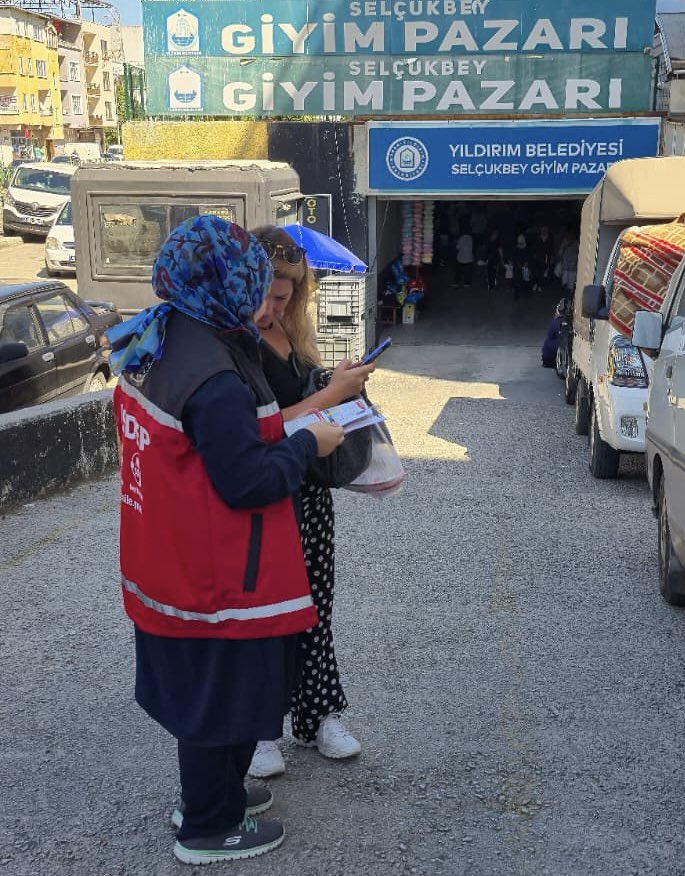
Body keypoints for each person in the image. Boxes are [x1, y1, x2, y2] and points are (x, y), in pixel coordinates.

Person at [108, 215, 344, 865]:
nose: (261, 296)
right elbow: (245, 481)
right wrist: (308, 444)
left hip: (172, 556)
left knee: (208, 692)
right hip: (215, 574)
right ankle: (207, 828)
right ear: (224, 281)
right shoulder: (212, 373)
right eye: (252, 281)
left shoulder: (170, 333)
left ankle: (214, 799)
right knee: (220, 699)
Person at [246, 224, 375, 779]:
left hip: (310, 491)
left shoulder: (288, 330)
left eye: (287, 295)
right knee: (264, 614)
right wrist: (328, 396)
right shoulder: (234, 343)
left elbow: (298, 399)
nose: (275, 307)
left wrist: (334, 382)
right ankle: (259, 728)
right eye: (269, 294)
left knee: (314, 608)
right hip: (266, 491)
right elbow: (254, 428)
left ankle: (319, 714)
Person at [541, 298, 566, 368]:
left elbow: (550, 334)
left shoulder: (556, 321)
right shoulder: (567, 319)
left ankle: (548, 362)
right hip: (565, 341)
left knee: (547, 342)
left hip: (561, 343)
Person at [511, 233, 530, 300]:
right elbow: (514, 258)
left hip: (525, 265)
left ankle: (526, 289)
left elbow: (529, 257)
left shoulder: (527, 248)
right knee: (517, 272)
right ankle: (516, 291)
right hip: (517, 265)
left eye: (522, 239)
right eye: (519, 239)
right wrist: (518, 263)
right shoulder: (516, 248)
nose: (520, 240)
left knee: (526, 271)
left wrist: (526, 263)